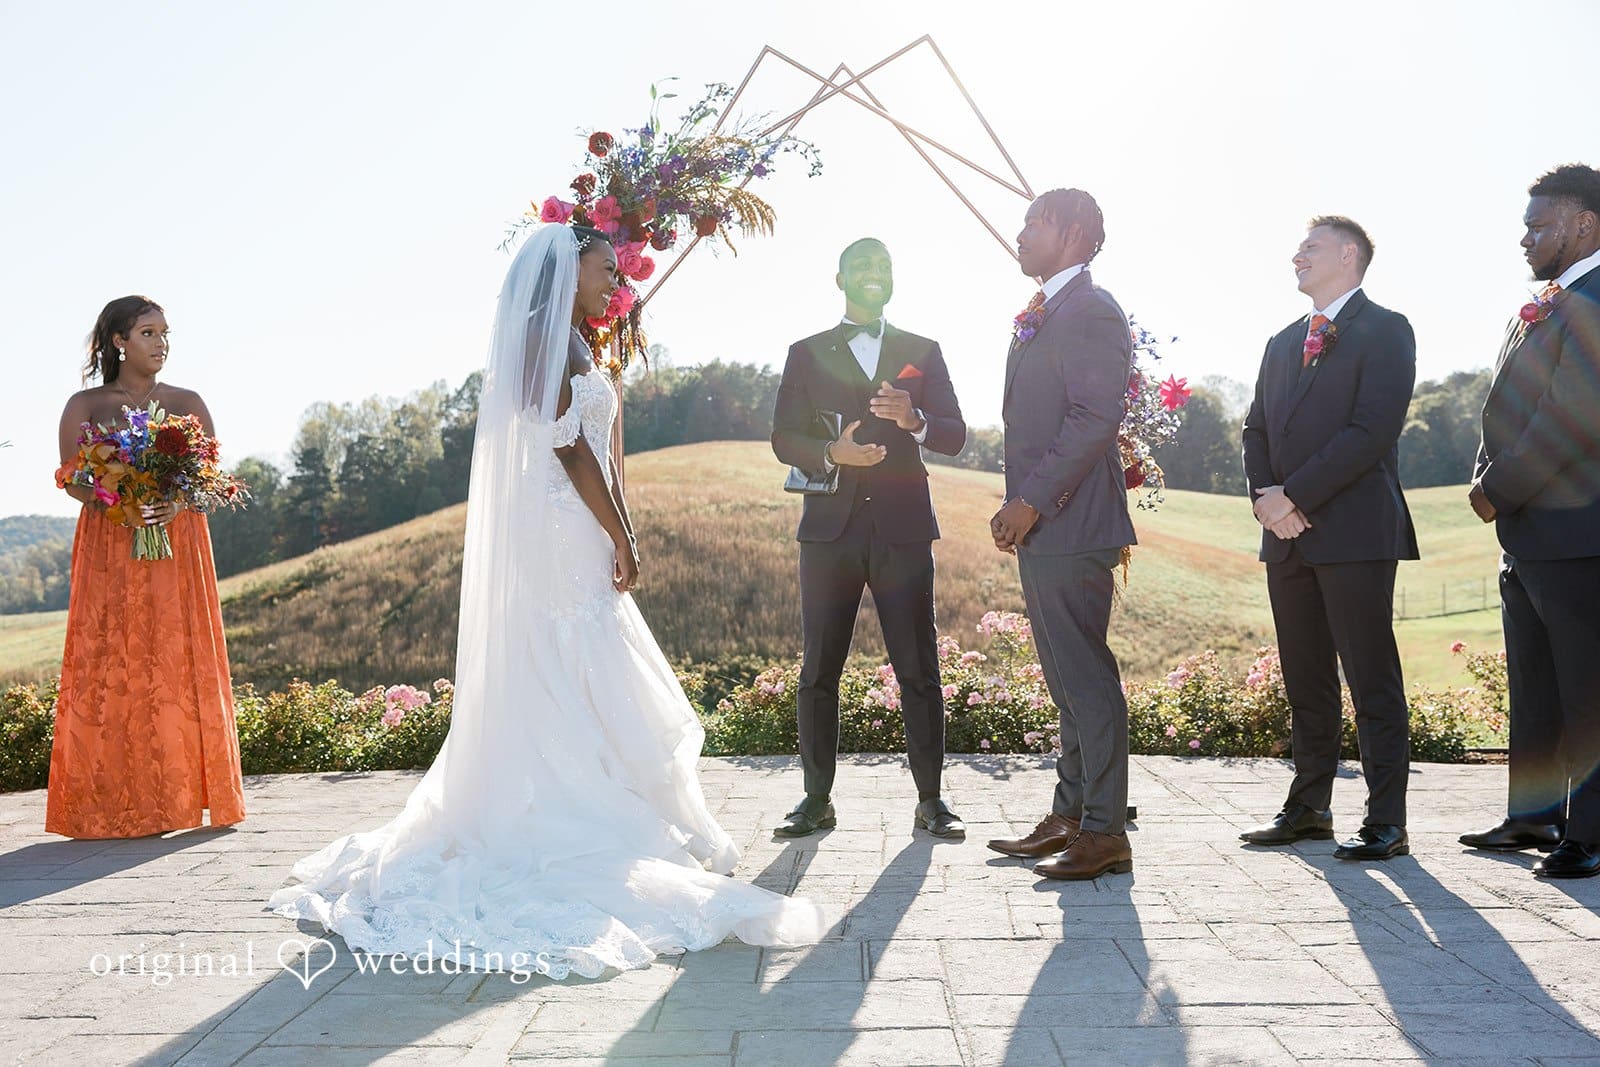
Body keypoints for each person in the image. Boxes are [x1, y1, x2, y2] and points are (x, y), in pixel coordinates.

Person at [271, 224, 826, 977]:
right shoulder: (554, 345)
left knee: (584, 658)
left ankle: (607, 797)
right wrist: (621, 530)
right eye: (605, 271)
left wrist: (620, 523)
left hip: (578, 525)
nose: (614, 285)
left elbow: (598, 447)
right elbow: (569, 451)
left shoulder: (575, 341)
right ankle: (577, 809)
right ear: (569, 272)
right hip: (566, 522)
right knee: (576, 655)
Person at [770, 237, 968, 838]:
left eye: (883, 265)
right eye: (862, 264)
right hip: (828, 531)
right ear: (840, 279)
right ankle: (815, 799)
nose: (874, 273)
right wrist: (833, 452)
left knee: (919, 667)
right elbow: (783, 437)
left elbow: (956, 435)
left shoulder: (922, 351)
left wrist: (917, 420)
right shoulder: (805, 353)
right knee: (818, 669)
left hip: (904, 530)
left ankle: (931, 800)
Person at [1238, 216, 1418, 861]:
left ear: (1349, 254)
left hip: (1355, 532)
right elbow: (1255, 430)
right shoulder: (1282, 342)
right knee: (1305, 678)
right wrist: (1268, 502)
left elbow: (1372, 431)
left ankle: (1386, 820)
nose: (1296, 256)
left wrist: (1297, 495)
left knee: (1371, 677)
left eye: (1309, 247)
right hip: (1285, 536)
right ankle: (1309, 807)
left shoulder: (1386, 329)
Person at [46, 296, 247, 838]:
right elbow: (71, 478)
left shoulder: (188, 402)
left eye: (165, 333)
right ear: (119, 341)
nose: (161, 344)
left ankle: (184, 797)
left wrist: (174, 504)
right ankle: (113, 802)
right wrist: (115, 501)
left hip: (176, 543)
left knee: (176, 658)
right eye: (148, 333)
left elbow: (206, 478)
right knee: (113, 659)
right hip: (109, 545)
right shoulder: (84, 405)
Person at [984, 189, 1137, 881]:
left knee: (1086, 679)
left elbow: (1093, 418)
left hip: (1072, 522)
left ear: (1073, 233)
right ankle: (1070, 814)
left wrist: (1030, 502)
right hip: (1049, 525)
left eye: (1032, 224)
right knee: (1063, 682)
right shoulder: (1049, 309)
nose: (1019, 235)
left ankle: (1106, 831)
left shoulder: (1094, 310)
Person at [1461, 164, 1600, 879]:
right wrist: (1487, 478)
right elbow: (1508, 408)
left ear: (1584, 222)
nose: (1524, 237)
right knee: (1538, 684)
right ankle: (1536, 814)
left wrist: (1499, 488)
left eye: (1538, 223)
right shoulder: (1553, 300)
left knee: (1587, 689)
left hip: (1580, 533)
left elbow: (1571, 417)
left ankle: (1592, 831)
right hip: (1530, 532)